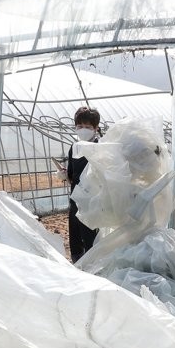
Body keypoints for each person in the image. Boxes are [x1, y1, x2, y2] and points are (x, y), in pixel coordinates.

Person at [66, 106, 100, 263]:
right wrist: (64, 175)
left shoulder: (101, 147)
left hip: (94, 199)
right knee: (75, 232)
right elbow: (71, 174)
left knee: (90, 233)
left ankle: (92, 264)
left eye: (87, 127)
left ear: (95, 128)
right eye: (80, 127)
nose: (83, 130)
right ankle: (77, 262)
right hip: (76, 198)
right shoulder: (74, 148)